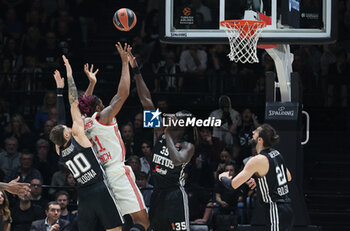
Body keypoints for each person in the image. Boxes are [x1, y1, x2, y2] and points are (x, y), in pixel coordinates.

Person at [78, 43, 149, 231]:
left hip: (101, 178)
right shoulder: (103, 117)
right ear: (100, 108)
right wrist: (125, 63)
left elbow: (84, 105)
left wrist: (92, 84)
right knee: (143, 222)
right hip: (117, 173)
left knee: (117, 226)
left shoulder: (84, 123)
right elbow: (123, 94)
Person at [49, 55, 123, 231]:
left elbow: (60, 122)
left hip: (83, 193)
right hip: (99, 187)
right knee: (115, 229)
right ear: (67, 135)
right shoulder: (79, 137)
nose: (68, 127)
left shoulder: (59, 149)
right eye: (67, 129)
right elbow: (74, 102)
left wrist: (59, 91)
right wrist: (69, 74)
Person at [130, 49, 196, 231]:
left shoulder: (187, 146)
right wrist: (136, 70)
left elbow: (176, 160)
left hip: (175, 195)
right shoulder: (159, 132)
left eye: (177, 116)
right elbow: (146, 101)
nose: (172, 116)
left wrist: (166, 134)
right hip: (158, 194)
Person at [219, 124, 294, 231]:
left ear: (260, 140)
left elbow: (233, 185)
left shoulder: (257, 160)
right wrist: (261, 181)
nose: (253, 132)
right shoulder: (277, 153)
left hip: (275, 208)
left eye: (256, 131)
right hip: (287, 209)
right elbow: (288, 177)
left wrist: (222, 177)